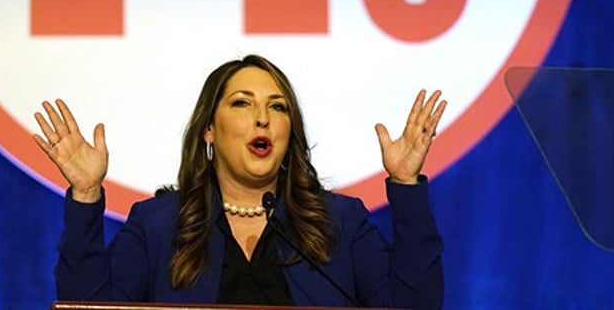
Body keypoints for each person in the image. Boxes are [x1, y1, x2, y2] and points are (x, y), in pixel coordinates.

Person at [34, 54, 446, 309]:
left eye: (277, 107)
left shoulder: (340, 221)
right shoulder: (158, 225)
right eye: (242, 103)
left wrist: (406, 184)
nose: (262, 118)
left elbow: (414, 306)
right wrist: (86, 195)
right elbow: (88, 308)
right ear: (209, 130)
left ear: (290, 131)